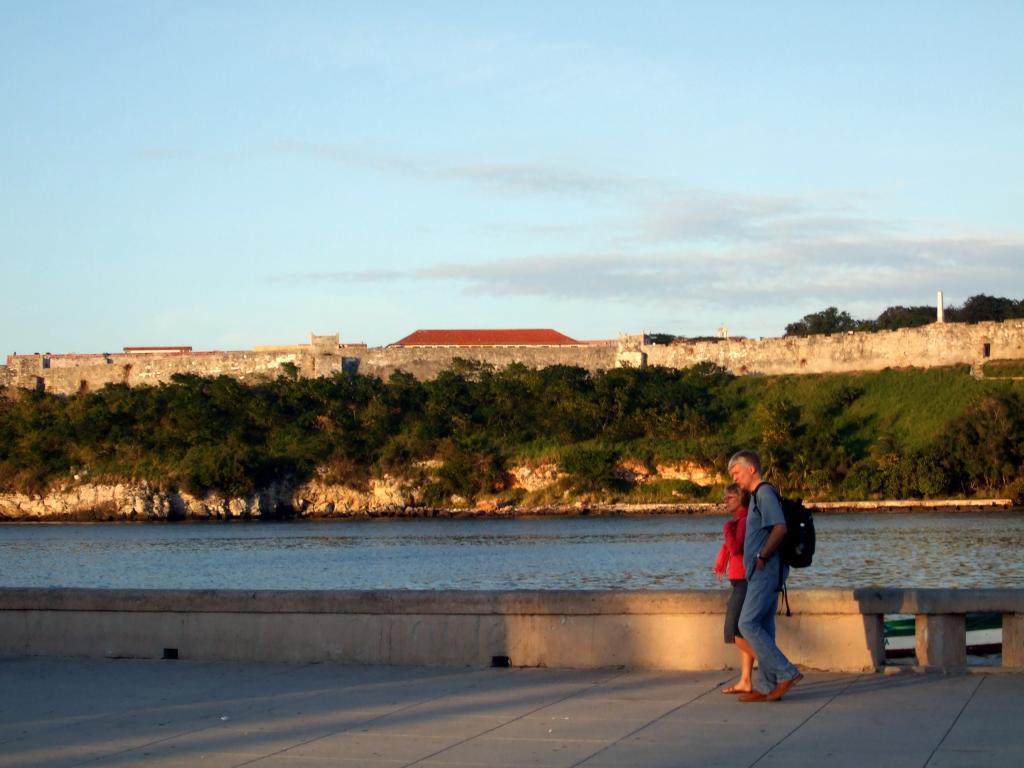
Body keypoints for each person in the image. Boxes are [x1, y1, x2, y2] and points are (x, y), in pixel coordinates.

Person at [728, 449, 803, 702]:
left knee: (746, 624)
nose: (734, 478)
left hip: (766, 571)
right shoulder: (759, 496)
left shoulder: (765, 493)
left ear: (751, 469)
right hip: (762, 572)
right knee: (764, 627)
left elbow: (779, 529)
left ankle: (786, 672)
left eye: (736, 472)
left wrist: (761, 556)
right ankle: (767, 686)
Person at [712, 483, 756, 694]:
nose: (725, 500)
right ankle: (746, 680)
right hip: (740, 580)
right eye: (725, 497)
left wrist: (727, 529)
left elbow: (735, 548)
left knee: (734, 630)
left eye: (730, 497)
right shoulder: (740, 521)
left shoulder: (744, 522)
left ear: (741, 499)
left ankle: (772, 664)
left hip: (745, 581)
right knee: (743, 632)